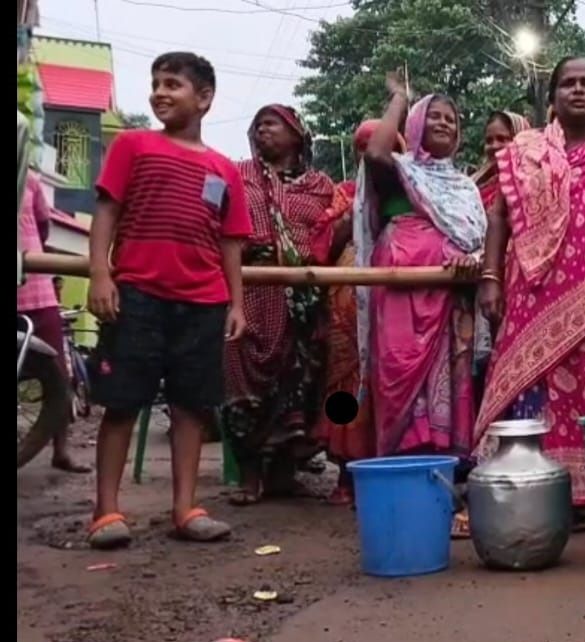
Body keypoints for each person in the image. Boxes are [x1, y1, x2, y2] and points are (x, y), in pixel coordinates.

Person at [86, 52, 250, 548]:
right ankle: (106, 512)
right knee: (121, 404)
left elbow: (231, 244)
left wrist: (237, 304)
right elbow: (107, 211)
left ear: (203, 98)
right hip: (137, 295)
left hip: (203, 303)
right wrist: (99, 275)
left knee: (191, 408)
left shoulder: (225, 169)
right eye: (155, 83)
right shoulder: (132, 146)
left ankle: (185, 508)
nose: (159, 92)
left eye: (173, 84)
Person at [476, 57, 585, 520]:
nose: (578, 90)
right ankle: (523, 490)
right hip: (531, 298)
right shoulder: (524, 151)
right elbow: (499, 218)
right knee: (529, 392)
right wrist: (491, 278)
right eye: (568, 84)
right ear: (552, 97)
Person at [222, 105, 346, 505]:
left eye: (271, 124)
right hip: (248, 292)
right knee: (242, 380)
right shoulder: (234, 175)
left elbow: (334, 232)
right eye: (257, 125)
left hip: (304, 300)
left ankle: (283, 473)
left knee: (302, 382)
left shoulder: (322, 186)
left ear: (296, 134)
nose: (262, 131)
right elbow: (211, 215)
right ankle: (250, 476)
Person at [359, 76, 484, 464]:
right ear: (414, 125)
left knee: (450, 375)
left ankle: (447, 469)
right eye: (434, 117)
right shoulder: (400, 169)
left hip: (450, 293)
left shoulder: (465, 187)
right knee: (398, 369)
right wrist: (399, 99)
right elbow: (376, 153)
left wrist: (470, 259)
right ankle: (401, 467)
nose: (445, 123)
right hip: (399, 284)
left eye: (452, 119)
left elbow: (478, 240)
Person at [314, 119, 400, 507]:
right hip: (346, 310)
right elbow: (321, 248)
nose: (371, 156)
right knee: (346, 387)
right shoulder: (344, 195)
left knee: (388, 384)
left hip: (393, 304)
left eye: (378, 147)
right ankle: (346, 475)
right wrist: (352, 217)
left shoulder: (408, 188)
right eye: (363, 149)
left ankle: (387, 470)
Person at [18, 169, 90, 474]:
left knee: (58, 374)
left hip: (36, 289)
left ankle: (62, 449)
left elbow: (44, 224)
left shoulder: (29, 177)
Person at [470, 110, 530, 401]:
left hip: (522, 292)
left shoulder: (531, 182)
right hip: (477, 292)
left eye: (503, 139)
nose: (494, 146)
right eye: (489, 140)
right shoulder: (471, 187)